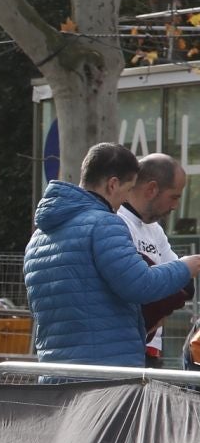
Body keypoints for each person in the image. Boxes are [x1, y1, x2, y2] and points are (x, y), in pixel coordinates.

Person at [26, 142, 200, 367]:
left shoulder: (38, 237)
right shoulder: (106, 223)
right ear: (113, 185)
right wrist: (186, 266)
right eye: (128, 191)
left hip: (55, 366)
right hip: (107, 369)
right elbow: (140, 284)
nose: (125, 202)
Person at [119, 153, 191, 367]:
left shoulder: (155, 229)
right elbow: (131, 286)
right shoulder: (116, 222)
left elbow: (185, 283)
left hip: (150, 347)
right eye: (174, 196)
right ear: (151, 189)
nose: (176, 206)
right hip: (125, 346)